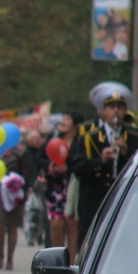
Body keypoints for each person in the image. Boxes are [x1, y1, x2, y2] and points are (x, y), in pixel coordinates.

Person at [69, 82, 138, 248]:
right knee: (90, 246)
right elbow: (77, 168)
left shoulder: (134, 135)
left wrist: (126, 154)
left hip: (125, 201)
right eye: (111, 107)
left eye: (120, 107)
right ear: (102, 111)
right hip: (93, 202)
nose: (116, 111)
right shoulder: (88, 137)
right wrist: (101, 161)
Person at [37, 111, 83, 264]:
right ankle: (58, 261)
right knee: (55, 224)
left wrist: (67, 167)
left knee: (71, 224)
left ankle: (70, 264)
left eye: (67, 118)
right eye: (63, 118)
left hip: (72, 187)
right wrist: (49, 166)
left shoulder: (80, 140)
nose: (63, 121)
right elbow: (40, 157)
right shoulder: (54, 138)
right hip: (55, 187)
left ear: (75, 123)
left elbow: (80, 161)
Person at [0, 142, 30, 270]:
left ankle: (10, 258)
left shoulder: (21, 154)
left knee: (12, 227)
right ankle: (1, 255)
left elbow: (26, 174)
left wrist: (15, 181)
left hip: (15, 196)